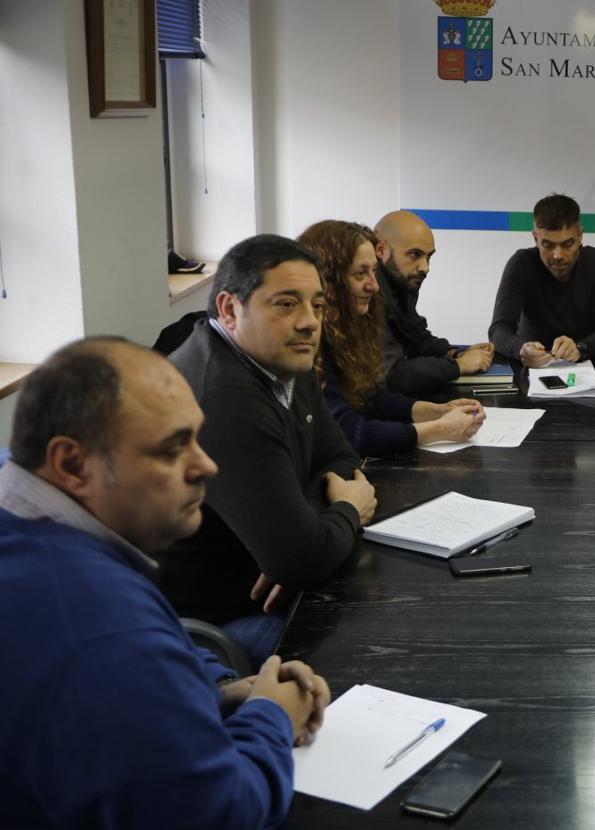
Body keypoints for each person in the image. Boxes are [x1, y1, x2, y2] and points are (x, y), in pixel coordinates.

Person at [0, 337, 331, 828]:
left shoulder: (23, 506)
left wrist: (220, 687)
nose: (207, 466)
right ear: (72, 464)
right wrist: (272, 716)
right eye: (174, 448)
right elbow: (220, 812)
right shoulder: (100, 623)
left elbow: (147, 648)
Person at [164, 234, 378, 665]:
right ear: (228, 308)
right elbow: (302, 556)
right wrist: (346, 511)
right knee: (367, 642)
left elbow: (342, 460)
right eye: (286, 304)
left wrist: (301, 532)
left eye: (317, 306)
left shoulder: (279, 359)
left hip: (262, 584)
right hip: (213, 626)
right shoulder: (222, 397)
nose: (309, 322)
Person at [297, 220, 485, 455]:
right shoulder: (308, 342)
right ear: (326, 278)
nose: (374, 286)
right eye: (360, 274)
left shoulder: (349, 326)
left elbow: (371, 397)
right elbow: (349, 432)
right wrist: (438, 430)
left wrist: (438, 411)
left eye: (374, 271)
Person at [489, 193, 595, 367]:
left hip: (588, 363)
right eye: (548, 245)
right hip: (533, 366)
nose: (558, 255)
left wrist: (580, 348)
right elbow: (498, 329)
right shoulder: (521, 264)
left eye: (568, 244)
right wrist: (520, 349)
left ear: (580, 236)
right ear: (535, 238)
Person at [374, 210, 495, 395]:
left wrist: (454, 353)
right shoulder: (368, 294)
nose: (425, 268)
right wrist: (458, 365)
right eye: (414, 254)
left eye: (429, 256)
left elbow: (416, 337)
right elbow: (393, 374)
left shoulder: (402, 283)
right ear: (381, 250)